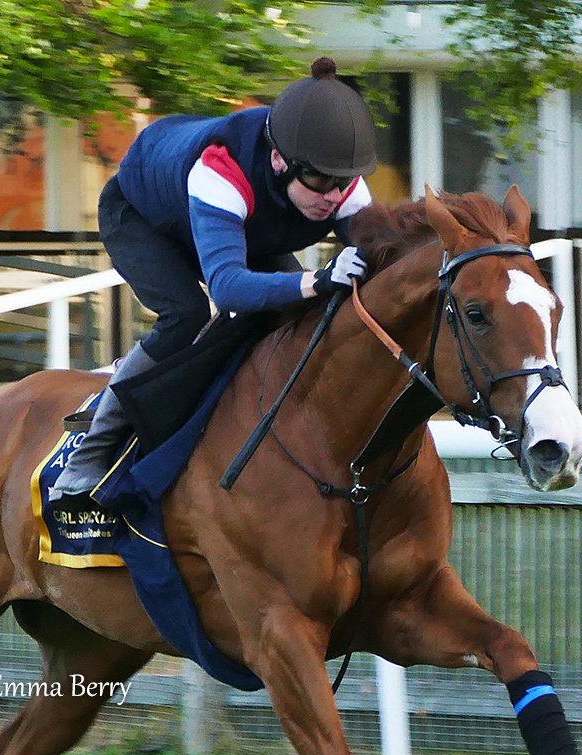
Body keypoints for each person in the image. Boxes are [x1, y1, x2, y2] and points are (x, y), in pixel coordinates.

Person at [49, 56, 378, 502]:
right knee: (185, 315)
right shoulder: (221, 170)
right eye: (320, 182)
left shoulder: (336, 178)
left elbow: (384, 250)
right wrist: (317, 280)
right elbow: (227, 287)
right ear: (280, 160)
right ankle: (91, 452)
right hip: (145, 217)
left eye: (344, 183)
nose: (333, 197)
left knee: (301, 312)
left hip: (245, 224)